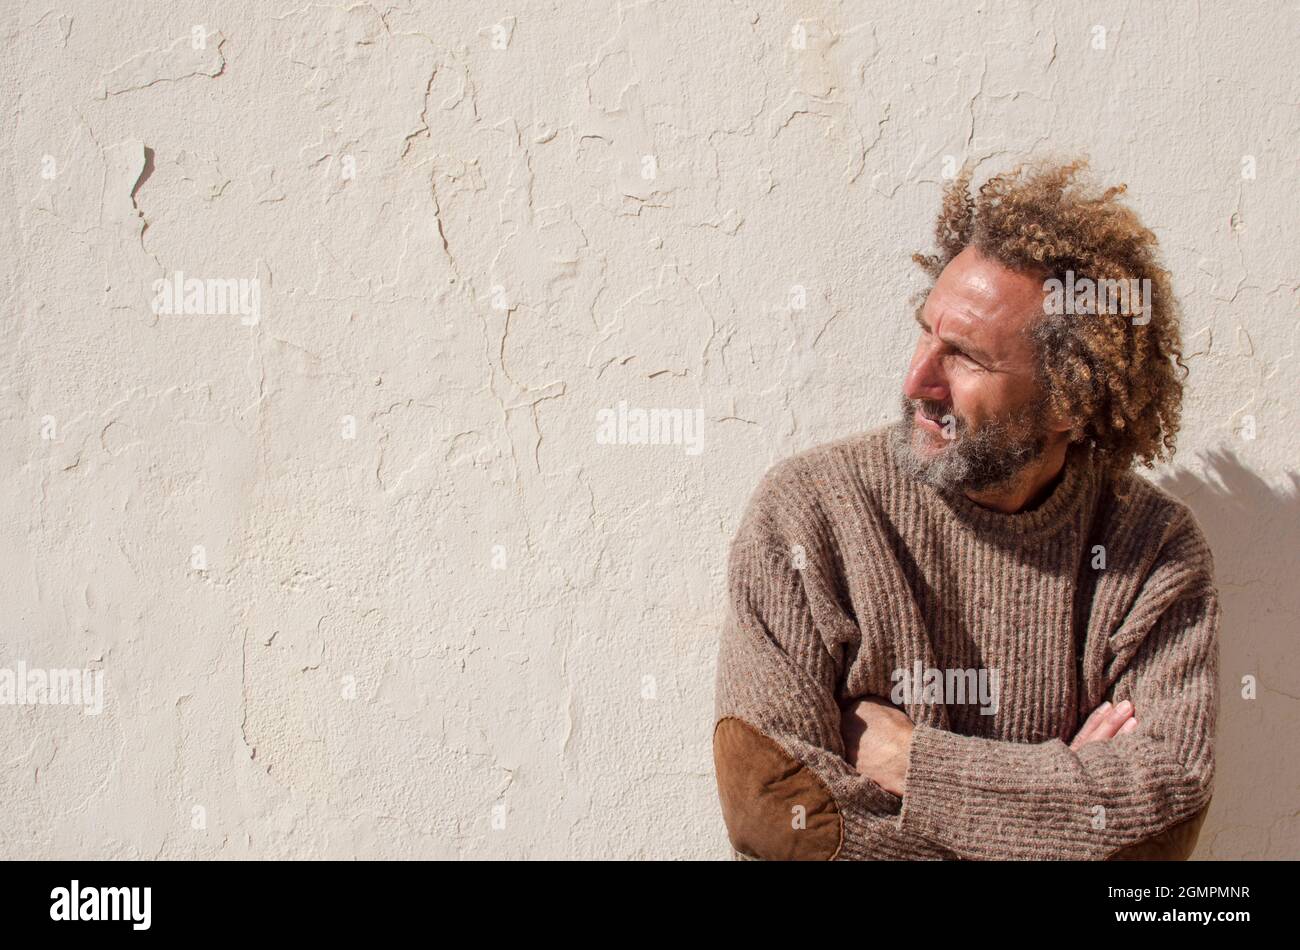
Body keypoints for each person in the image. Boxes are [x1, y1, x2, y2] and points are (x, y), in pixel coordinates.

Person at [713, 158, 1217, 860]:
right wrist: (1054, 810)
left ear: (1069, 401)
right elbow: (779, 815)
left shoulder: (1149, 551)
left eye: (966, 358)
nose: (918, 379)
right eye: (926, 332)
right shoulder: (809, 516)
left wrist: (915, 763)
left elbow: (1163, 815)